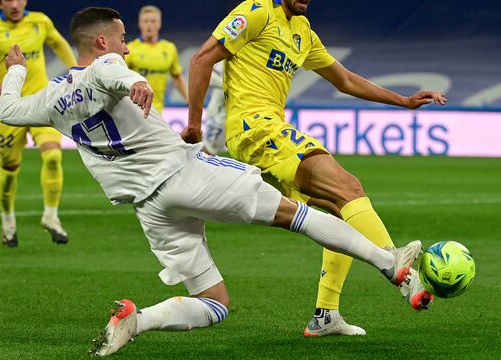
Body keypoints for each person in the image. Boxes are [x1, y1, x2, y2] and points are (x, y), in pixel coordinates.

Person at [0, 7, 428, 357]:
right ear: (102, 42)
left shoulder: (54, 98)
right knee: (297, 214)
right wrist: (139, 82)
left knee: (215, 303)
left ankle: (137, 318)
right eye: (123, 38)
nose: (128, 47)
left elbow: (10, 112)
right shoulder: (109, 66)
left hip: (148, 209)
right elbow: (115, 73)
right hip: (183, 175)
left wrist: (16, 70)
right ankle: (391, 265)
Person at [182, 0, 445, 336]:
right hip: (255, 127)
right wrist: (194, 125)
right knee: (347, 187)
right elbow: (202, 58)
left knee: (338, 212)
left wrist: (404, 101)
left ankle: (326, 315)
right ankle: (394, 265)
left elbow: (345, 80)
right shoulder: (256, 11)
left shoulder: (302, 32)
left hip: (267, 130)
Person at [0, 0, 76, 247]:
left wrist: (75, 69)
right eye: (8, 0)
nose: (15, 4)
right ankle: (8, 224)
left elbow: (59, 43)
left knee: (53, 157)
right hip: (9, 108)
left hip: (41, 103)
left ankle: (51, 217)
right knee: (8, 170)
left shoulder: (40, 20)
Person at [125, 5, 187, 115]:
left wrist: (188, 100)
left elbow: (176, 76)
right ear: (140, 24)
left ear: (159, 23)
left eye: (153, 21)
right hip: (134, 110)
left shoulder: (169, 48)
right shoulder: (130, 49)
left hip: (158, 111)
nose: (149, 25)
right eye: (145, 21)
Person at [202, 61, 227, 154]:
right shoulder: (222, 60)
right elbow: (209, 78)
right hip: (217, 112)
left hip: (230, 111)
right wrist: (229, 85)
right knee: (210, 148)